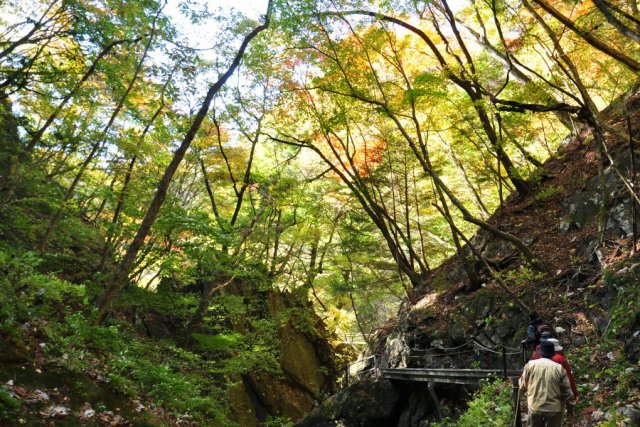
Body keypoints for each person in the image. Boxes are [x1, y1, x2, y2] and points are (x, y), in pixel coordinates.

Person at [520, 340, 576, 427]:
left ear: (540, 353)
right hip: (553, 409)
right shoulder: (559, 369)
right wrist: (570, 409)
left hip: (535, 407)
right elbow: (568, 392)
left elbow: (522, 385)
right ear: (553, 354)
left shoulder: (530, 365)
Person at [532, 338, 579, 403]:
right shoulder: (560, 359)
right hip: (555, 401)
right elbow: (568, 379)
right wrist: (574, 395)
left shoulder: (533, 362)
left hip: (536, 401)